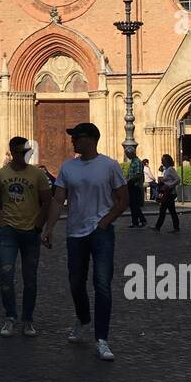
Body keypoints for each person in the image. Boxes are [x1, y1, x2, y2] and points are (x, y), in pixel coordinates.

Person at [42, 123, 127, 361]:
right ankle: (83, 318)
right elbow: (58, 200)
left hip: (101, 232)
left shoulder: (109, 166)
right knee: (75, 283)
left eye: (76, 138)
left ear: (90, 139)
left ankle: (102, 338)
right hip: (75, 232)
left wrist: (105, 221)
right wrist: (49, 228)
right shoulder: (68, 167)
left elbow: (123, 199)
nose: (72, 142)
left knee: (102, 285)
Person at [0, 136, 53, 338]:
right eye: (16, 152)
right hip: (9, 232)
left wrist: (39, 227)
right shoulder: (0, 174)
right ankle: (10, 317)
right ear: (11, 152)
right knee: (6, 277)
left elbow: (47, 202)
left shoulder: (38, 174)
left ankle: (28, 319)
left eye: (23, 152)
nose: (20, 156)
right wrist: (2, 224)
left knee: (30, 279)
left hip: (30, 233)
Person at [153, 154, 180, 233]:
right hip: (168, 193)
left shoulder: (171, 169)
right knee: (171, 211)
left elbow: (178, 179)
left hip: (170, 193)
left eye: (163, 160)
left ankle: (158, 227)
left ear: (167, 161)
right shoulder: (167, 170)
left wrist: (169, 186)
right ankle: (176, 227)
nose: (161, 161)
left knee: (163, 210)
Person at [125, 152, 147, 228]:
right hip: (132, 185)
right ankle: (136, 222)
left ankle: (141, 221)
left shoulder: (137, 162)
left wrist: (129, 181)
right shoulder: (133, 162)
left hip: (135, 186)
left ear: (131, 153)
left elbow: (138, 174)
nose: (127, 156)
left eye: (127, 154)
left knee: (134, 204)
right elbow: (130, 174)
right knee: (133, 205)